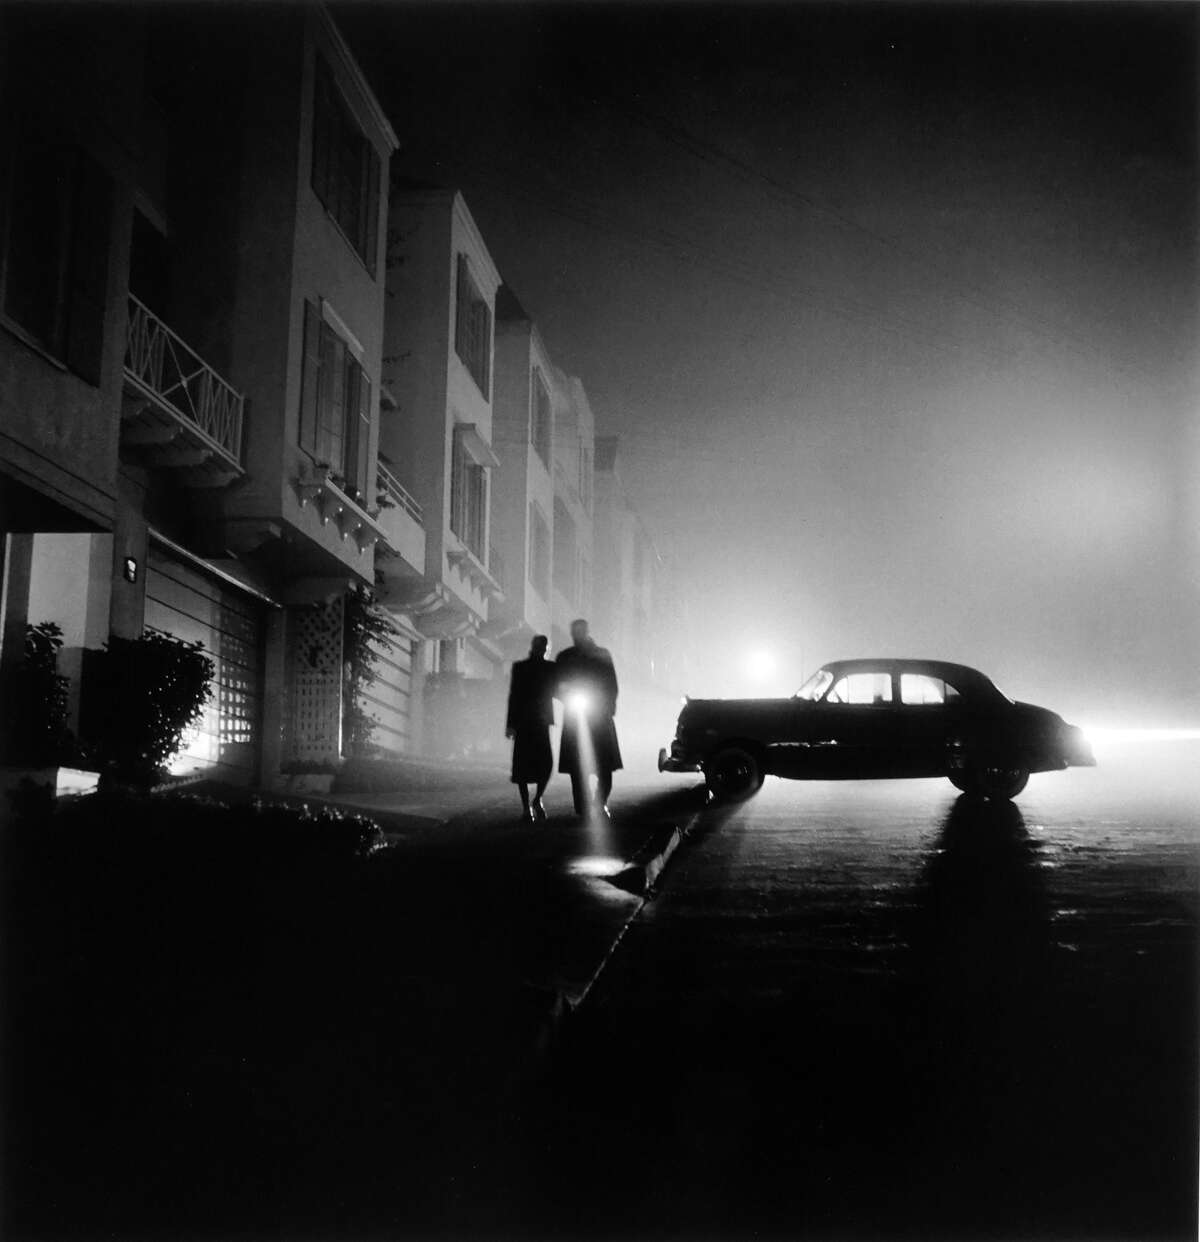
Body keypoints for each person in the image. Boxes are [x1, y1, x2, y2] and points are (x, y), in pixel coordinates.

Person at [554, 618, 622, 817]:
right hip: (576, 717)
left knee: (604, 765)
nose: (577, 637)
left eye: (579, 633)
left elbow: (612, 685)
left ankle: (600, 803)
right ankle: (583, 806)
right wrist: (565, 697)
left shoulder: (602, 655)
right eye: (574, 634)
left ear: (586, 632)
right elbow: (557, 684)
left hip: (600, 715)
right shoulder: (565, 657)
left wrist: (609, 706)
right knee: (577, 767)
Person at [505, 635, 556, 822]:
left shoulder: (546, 668)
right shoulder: (529, 668)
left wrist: (511, 724)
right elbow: (514, 696)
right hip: (531, 722)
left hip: (532, 722)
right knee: (528, 766)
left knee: (538, 765)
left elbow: (514, 697)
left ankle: (532, 803)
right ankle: (530, 804)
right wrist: (511, 724)